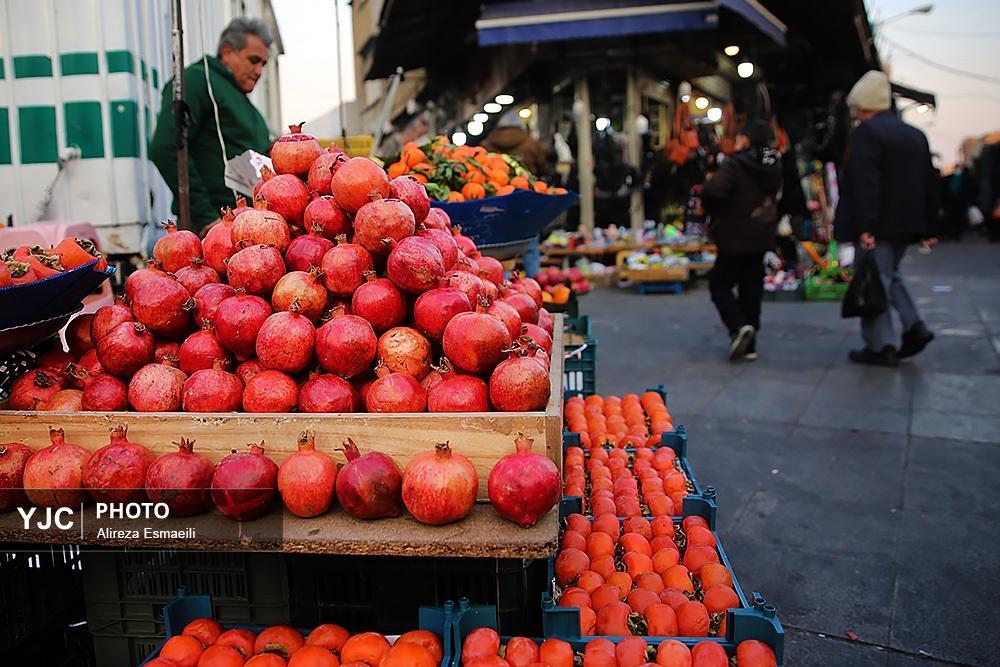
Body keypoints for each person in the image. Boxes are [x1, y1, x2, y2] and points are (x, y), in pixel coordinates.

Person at [834, 70, 938, 367]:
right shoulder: (915, 135)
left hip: (878, 224)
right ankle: (914, 326)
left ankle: (882, 345)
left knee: (874, 281)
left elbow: (866, 183)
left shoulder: (868, 134)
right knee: (889, 274)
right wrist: (930, 226)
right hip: (907, 224)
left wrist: (866, 226)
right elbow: (930, 182)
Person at [150, 18, 274, 237]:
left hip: (248, 225)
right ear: (227, 52)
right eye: (253, 60)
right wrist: (207, 217)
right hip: (214, 229)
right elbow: (165, 147)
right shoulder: (198, 80)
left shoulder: (240, 99)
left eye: (263, 64)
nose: (259, 70)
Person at [700, 120, 783, 361]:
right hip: (762, 234)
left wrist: (714, 206)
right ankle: (750, 344)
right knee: (751, 288)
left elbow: (713, 190)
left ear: (746, 139)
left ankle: (738, 327)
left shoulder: (736, 165)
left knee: (719, 284)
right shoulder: (775, 164)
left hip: (734, 234)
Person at [480, 111, 548, 277]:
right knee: (530, 245)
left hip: (498, 201)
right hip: (526, 200)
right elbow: (543, 168)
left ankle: (503, 289)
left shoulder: (487, 144)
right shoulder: (531, 143)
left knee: (501, 250)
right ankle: (535, 287)